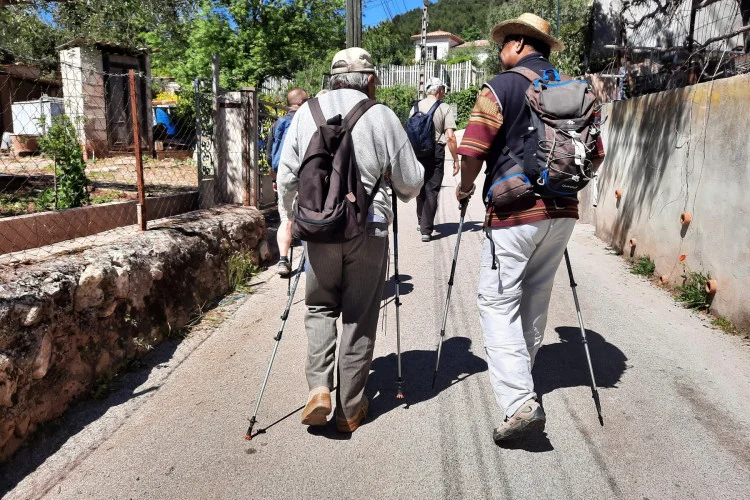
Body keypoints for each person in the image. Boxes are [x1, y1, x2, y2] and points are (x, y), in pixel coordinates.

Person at [455, 13, 589, 443]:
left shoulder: (501, 86)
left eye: (502, 45)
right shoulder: (576, 88)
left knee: (497, 302)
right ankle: (521, 378)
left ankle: (518, 402)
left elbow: (472, 148)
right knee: (535, 296)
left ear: (517, 44)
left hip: (514, 211)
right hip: (563, 210)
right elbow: (596, 152)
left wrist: (464, 188)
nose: (500, 53)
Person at [276, 48, 424, 433]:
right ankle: (349, 409)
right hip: (369, 226)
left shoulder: (305, 113)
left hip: (319, 227)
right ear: (370, 79)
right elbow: (411, 182)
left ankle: (319, 388)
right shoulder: (381, 115)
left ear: (332, 78)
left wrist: (294, 219)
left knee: (319, 306)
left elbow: (286, 177)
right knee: (359, 315)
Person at [409, 77, 459, 242]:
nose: (444, 92)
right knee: (432, 189)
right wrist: (456, 160)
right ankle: (426, 230)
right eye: (443, 89)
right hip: (435, 151)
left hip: (416, 152)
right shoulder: (444, 108)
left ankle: (420, 220)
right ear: (439, 90)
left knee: (421, 186)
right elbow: (450, 137)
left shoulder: (415, 107)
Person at [267, 88, 309, 276]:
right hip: (305, 174)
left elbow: (270, 156)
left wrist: (275, 178)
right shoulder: (307, 121)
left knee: (286, 218)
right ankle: (311, 261)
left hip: (283, 174)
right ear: (300, 103)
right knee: (309, 215)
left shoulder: (278, 123)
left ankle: (283, 261)